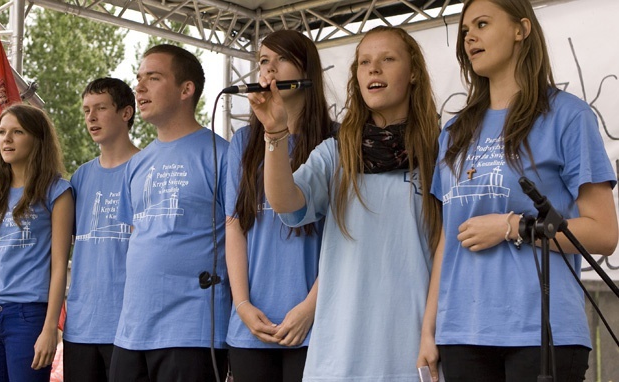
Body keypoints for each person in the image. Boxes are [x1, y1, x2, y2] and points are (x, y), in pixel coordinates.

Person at [418, 1, 618, 381]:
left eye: (481, 24)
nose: (469, 37)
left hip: (542, 334)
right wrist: (430, 329)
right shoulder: (454, 132)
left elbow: (604, 233)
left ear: (520, 29)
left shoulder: (568, 116)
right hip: (461, 332)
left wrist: (512, 226)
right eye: (464, 31)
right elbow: (448, 239)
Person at [251, 26, 442, 381]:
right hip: (340, 350)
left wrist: (431, 333)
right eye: (365, 62)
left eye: (388, 59)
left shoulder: (440, 150)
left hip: (411, 342)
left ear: (414, 72)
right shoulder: (337, 150)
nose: (374, 69)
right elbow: (286, 203)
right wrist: (275, 133)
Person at [109, 44, 230, 381]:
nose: (140, 87)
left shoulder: (223, 155)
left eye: (154, 78)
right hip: (132, 330)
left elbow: (240, 236)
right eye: (139, 78)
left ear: (185, 90)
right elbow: (136, 237)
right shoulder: (137, 164)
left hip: (193, 330)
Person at [225, 30, 333, 382]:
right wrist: (242, 305)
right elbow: (234, 225)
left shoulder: (336, 141)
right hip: (252, 327)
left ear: (306, 70)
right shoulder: (242, 142)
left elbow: (347, 239)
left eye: (280, 59)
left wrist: (309, 308)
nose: (268, 69)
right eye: (262, 61)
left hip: (315, 324)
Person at [0, 104, 74, 381]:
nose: (6, 139)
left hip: (27, 317)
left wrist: (51, 327)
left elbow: (59, 264)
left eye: (17, 132)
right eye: (2, 132)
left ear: (38, 139)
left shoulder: (57, 191)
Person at [63, 77, 139, 381]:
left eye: (100, 108)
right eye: (86, 110)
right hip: (80, 326)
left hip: (129, 326)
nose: (91, 117)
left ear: (126, 112)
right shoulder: (79, 177)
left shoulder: (146, 167)